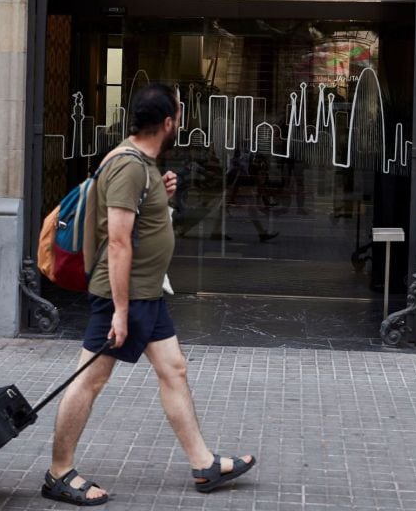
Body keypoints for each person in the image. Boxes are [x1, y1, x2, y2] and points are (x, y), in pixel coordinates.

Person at [43, 83, 257, 506]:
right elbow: (119, 241)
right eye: (178, 116)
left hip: (146, 294)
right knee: (89, 381)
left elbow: (138, 218)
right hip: (125, 296)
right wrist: (120, 312)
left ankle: (204, 465)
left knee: (173, 369)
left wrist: (162, 190)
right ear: (168, 122)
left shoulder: (142, 165)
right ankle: (58, 471)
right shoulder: (128, 167)